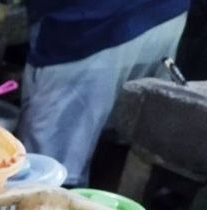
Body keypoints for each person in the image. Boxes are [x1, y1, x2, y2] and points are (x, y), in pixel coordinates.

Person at [18, 1, 189, 187]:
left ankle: (69, 209)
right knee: (121, 133)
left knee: (47, 170)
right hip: (167, 15)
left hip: (89, 27)